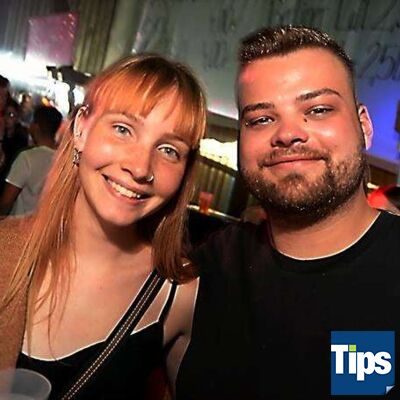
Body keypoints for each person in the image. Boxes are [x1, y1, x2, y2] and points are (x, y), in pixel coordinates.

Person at [176, 26, 400, 399]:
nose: (288, 134)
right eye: (261, 119)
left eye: (318, 109)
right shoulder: (207, 269)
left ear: (364, 126)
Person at [0, 54, 206, 399]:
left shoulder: (180, 295)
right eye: (123, 129)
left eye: (169, 149)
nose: (140, 167)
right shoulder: (4, 246)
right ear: (81, 128)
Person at [0, 105, 62, 216]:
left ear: (36, 126)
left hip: (19, 224)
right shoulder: (62, 160)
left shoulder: (27, 158)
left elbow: (6, 202)